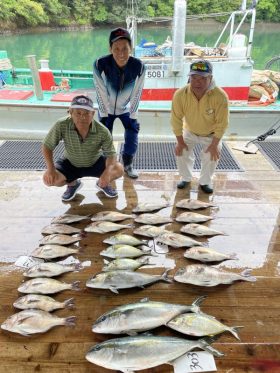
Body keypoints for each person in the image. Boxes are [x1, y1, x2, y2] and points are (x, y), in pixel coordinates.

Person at [42, 95, 124, 202]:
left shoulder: (102, 131)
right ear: (70, 112)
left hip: (94, 162)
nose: (82, 117)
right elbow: (47, 146)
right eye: (78, 113)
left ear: (93, 114)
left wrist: (107, 173)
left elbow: (111, 154)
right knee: (49, 179)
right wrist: (51, 169)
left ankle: (102, 184)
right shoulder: (61, 124)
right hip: (70, 162)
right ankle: (72, 184)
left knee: (119, 169)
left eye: (86, 113)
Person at [93, 27, 146, 179]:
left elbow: (137, 92)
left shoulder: (139, 66)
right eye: (116, 49)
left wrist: (133, 115)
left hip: (126, 108)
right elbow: (100, 91)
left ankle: (128, 163)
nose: (121, 53)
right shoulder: (99, 64)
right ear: (110, 48)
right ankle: (107, 164)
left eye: (125, 49)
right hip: (106, 108)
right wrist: (103, 114)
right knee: (104, 135)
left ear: (131, 48)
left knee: (132, 131)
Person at [171, 59, 229, 194]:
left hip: (211, 134)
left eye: (202, 78)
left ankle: (205, 182)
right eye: (194, 77)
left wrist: (214, 144)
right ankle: (185, 178)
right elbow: (176, 120)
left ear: (211, 78)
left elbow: (222, 123)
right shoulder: (180, 94)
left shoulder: (220, 96)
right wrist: (180, 142)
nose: (197, 82)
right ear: (189, 77)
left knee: (211, 155)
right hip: (189, 131)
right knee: (181, 151)